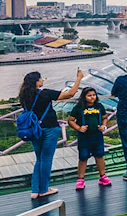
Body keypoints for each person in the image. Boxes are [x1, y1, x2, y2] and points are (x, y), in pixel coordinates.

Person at [18, 69, 82, 200]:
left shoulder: (24, 96)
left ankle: (35, 190)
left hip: (34, 130)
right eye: (41, 78)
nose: (42, 80)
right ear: (36, 81)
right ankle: (44, 189)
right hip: (50, 129)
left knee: (39, 159)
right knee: (46, 159)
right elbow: (70, 94)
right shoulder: (44, 94)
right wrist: (79, 78)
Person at [68, 88, 111, 190]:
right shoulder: (78, 108)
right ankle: (80, 179)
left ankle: (103, 176)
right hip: (84, 137)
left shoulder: (99, 107)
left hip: (97, 136)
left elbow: (105, 117)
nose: (92, 97)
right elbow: (70, 120)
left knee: (99, 156)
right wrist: (79, 128)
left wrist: (104, 126)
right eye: (89, 95)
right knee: (83, 157)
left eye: (94, 95)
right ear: (84, 97)